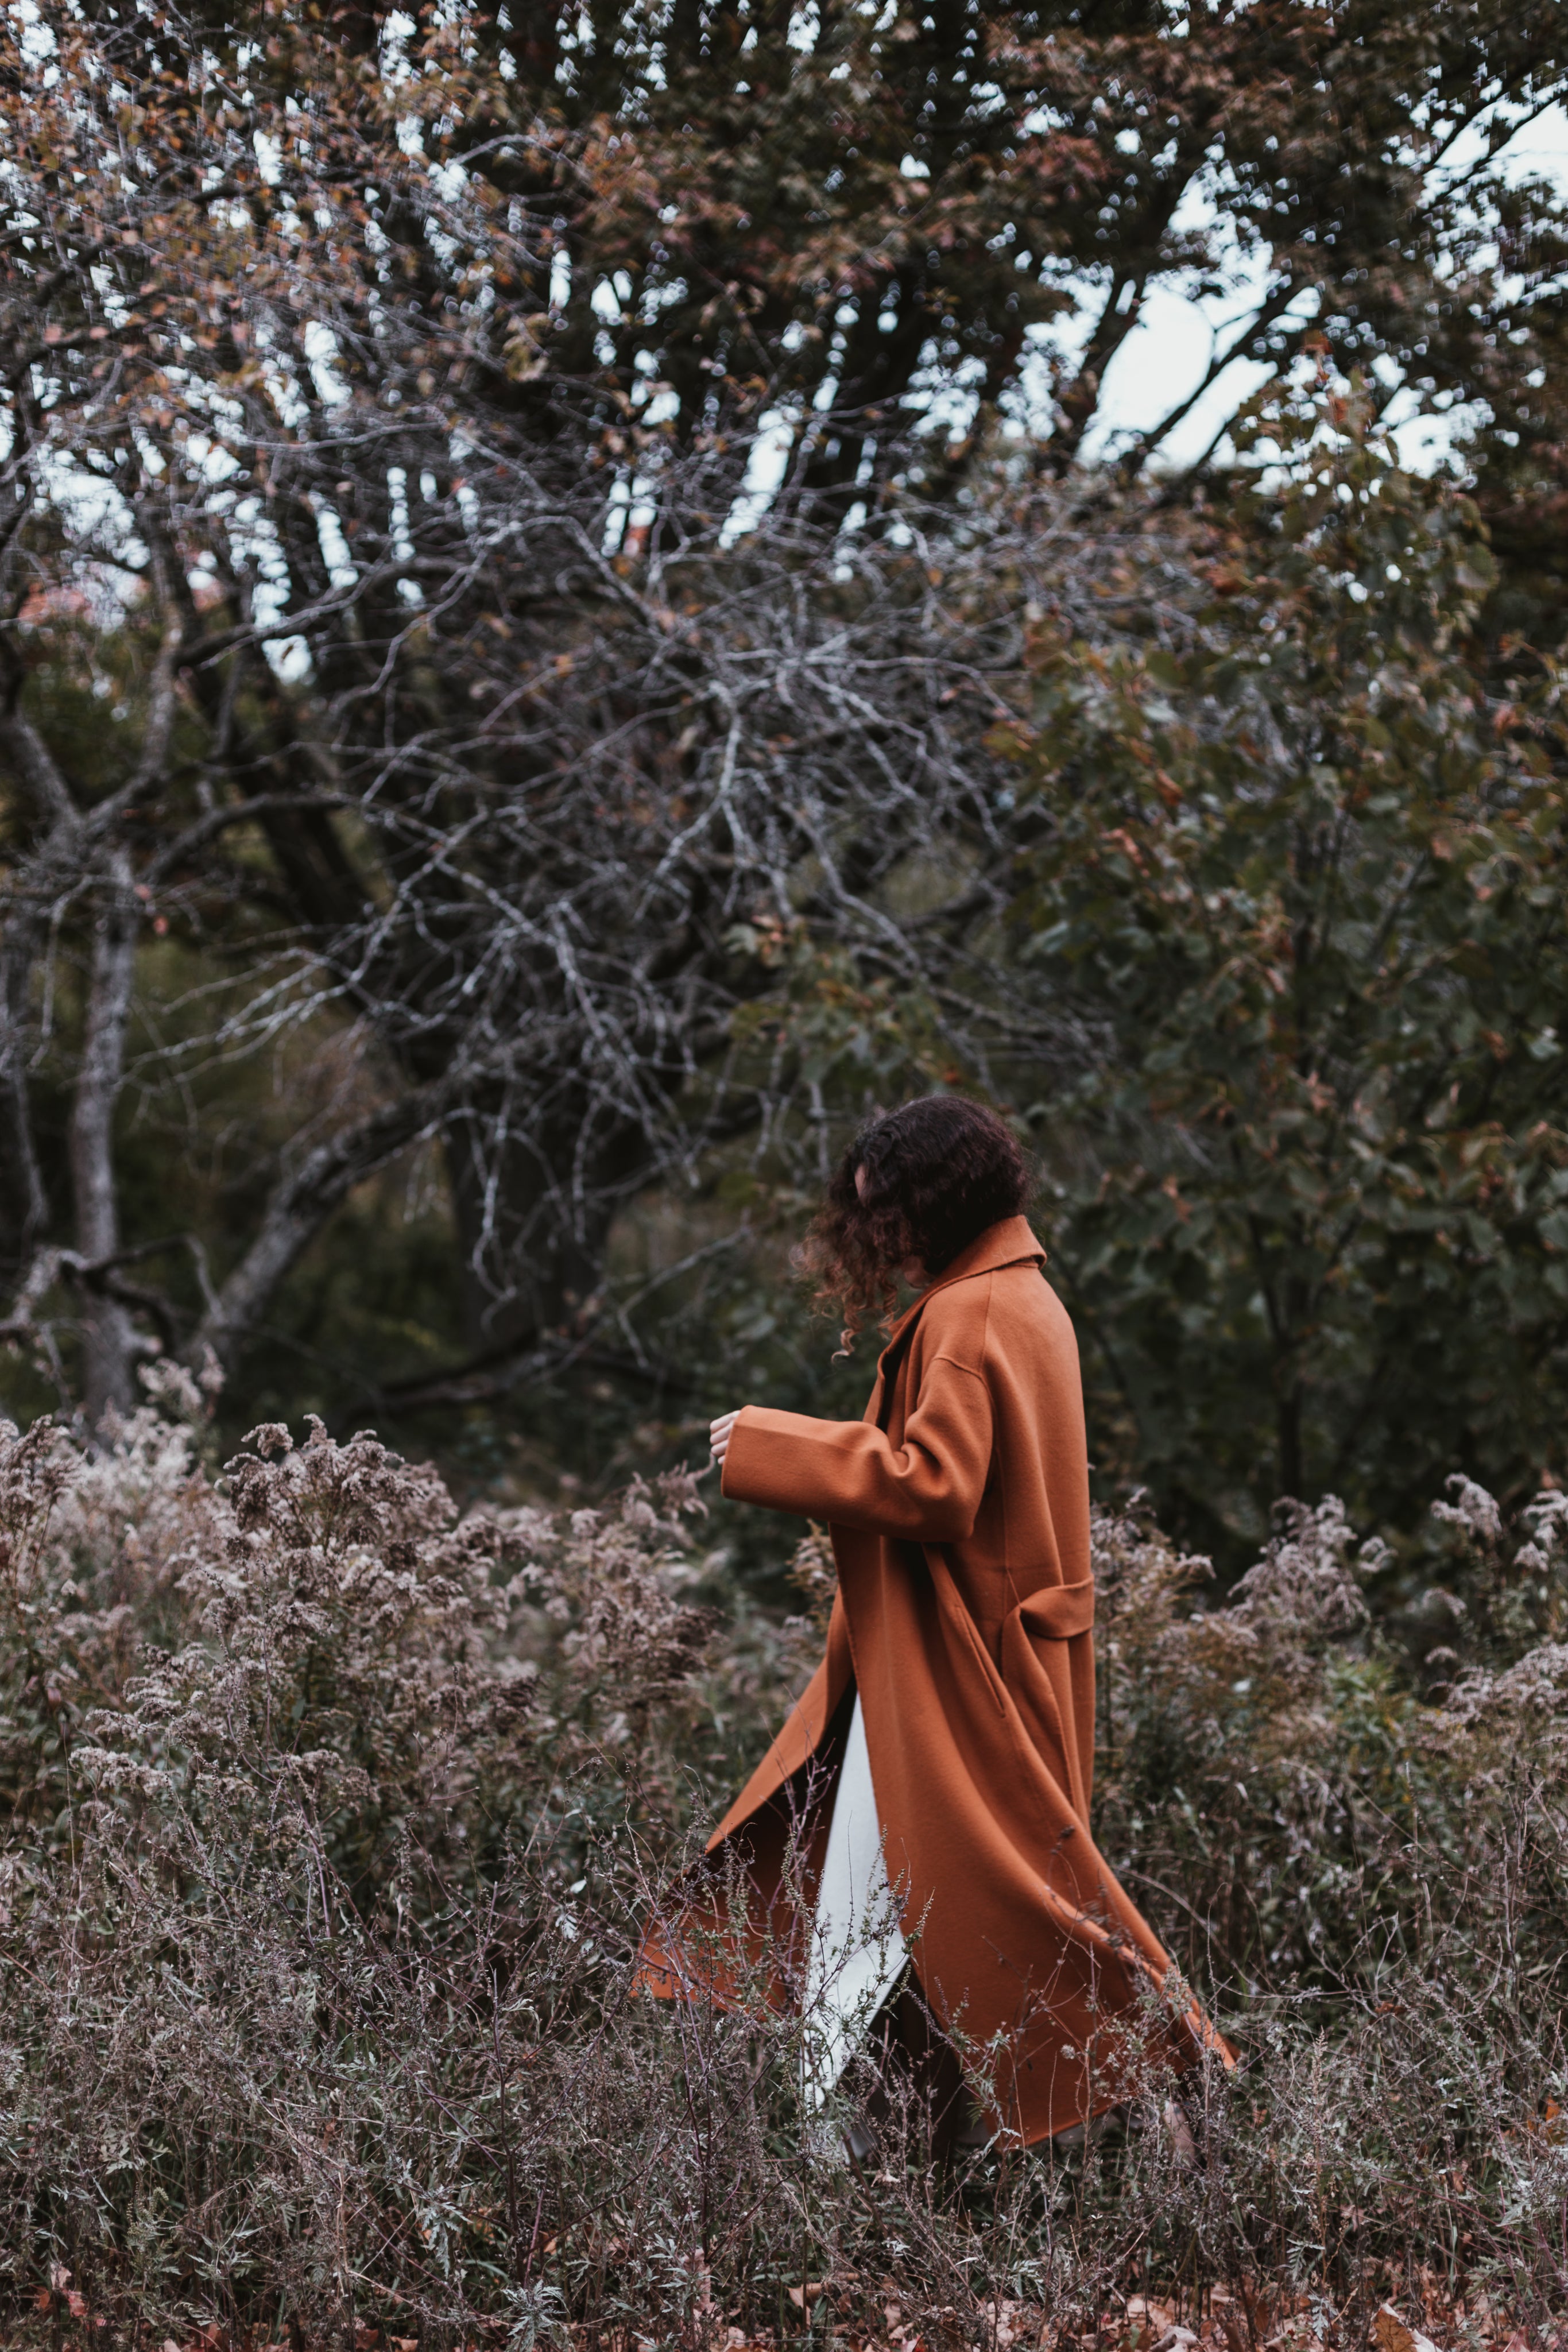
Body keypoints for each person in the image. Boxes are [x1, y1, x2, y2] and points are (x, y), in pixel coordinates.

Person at [642, 1094, 1226, 2149]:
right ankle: (951, 2156)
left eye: (891, 1214)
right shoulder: (1025, 1296)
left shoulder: (969, 1316)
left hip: (959, 1673)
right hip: (992, 1660)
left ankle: (887, 2162)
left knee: (905, 1913)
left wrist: (774, 1448)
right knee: (969, 1908)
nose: (879, 1237)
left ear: (943, 1203)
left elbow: (938, 1487)